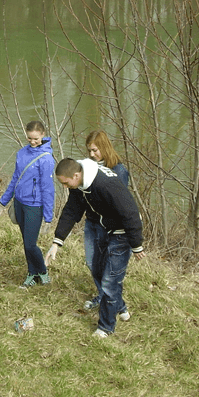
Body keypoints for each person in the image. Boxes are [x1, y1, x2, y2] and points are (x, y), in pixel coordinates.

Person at [45, 158, 146, 338]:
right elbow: (71, 211)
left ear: (75, 175)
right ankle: (119, 305)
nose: (65, 187)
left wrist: (137, 245)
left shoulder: (105, 184)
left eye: (66, 183)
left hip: (123, 232)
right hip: (104, 227)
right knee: (98, 270)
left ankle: (105, 327)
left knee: (110, 280)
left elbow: (130, 213)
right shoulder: (79, 185)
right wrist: (56, 242)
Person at [0, 120, 55, 289]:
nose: (32, 142)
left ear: (43, 135)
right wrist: (3, 202)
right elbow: (15, 179)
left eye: (36, 139)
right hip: (19, 203)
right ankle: (32, 273)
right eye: (29, 138)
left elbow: (48, 189)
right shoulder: (22, 153)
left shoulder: (46, 159)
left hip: (34, 206)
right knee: (25, 241)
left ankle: (42, 272)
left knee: (31, 244)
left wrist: (48, 217)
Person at [84, 130, 130, 310]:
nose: (92, 154)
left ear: (104, 147)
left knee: (108, 269)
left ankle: (112, 303)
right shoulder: (89, 167)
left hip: (108, 227)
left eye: (95, 150)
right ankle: (105, 297)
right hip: (91, 223)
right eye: (89, 151)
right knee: (92, 262)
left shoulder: (119, 170)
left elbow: (121, 203)